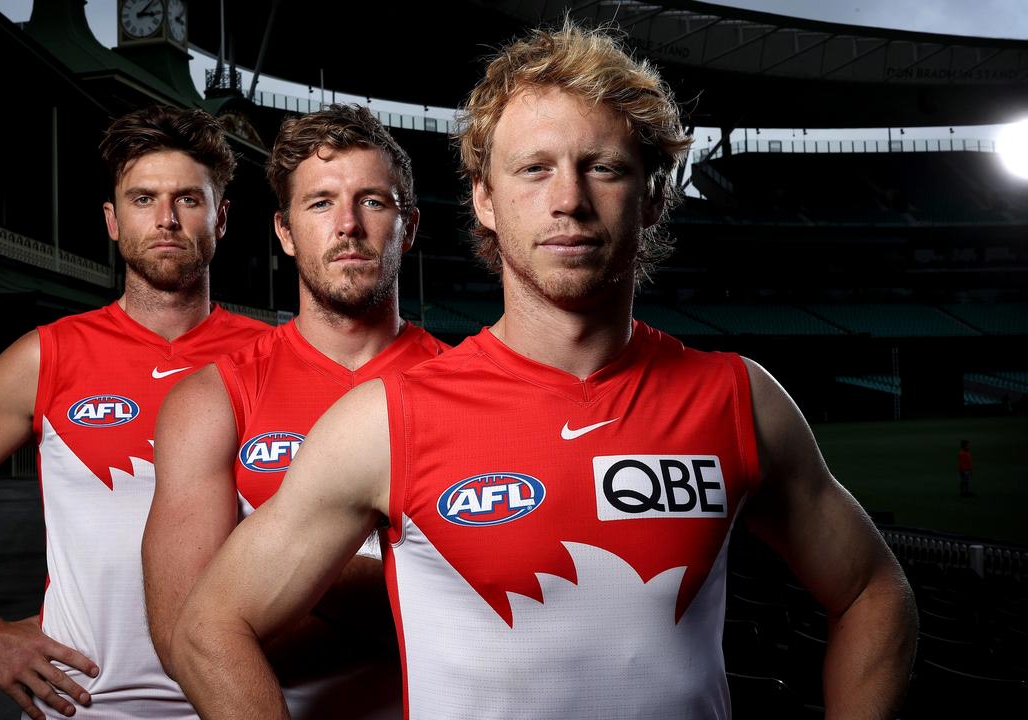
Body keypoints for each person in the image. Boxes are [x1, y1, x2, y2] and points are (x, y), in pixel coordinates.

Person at [168, 22, 918, 720]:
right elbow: (211, 626)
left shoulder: (739, 399)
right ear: (485, 201)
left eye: (604, 168)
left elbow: (873, 593)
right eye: (535, 170)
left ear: (654, 196)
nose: (569, 201)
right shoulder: (386, 419)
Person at [0, 105, 269, 719]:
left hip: (242, 699)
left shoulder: (272, 357)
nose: (166, 219)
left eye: (188, 199)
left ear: (221, 218)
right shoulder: (50, 355)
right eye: (144, 199)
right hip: (86, 703)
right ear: (113, 222)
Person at [143, 104, 446, 719]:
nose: (347, 226)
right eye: (319, 204)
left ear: (408, 228)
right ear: (284, 232)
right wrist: (426, 601)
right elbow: (189, 640)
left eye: (373, 202)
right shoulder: (213, 399)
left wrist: (261, 583)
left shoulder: (469, 388)